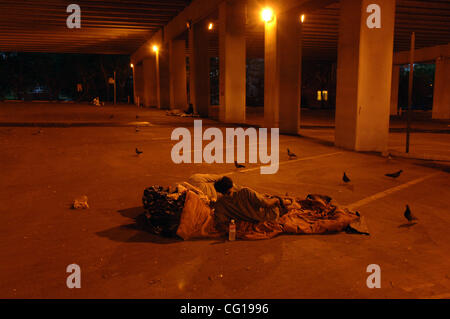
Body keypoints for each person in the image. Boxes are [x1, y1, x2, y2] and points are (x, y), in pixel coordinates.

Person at [211, 176, 285, 229]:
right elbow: (266, 204)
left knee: (264, 196)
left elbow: (220, 221)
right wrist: (276, 199)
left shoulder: (220, 203)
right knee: (275, 199)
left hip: (250, 220)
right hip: (268, 216)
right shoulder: (245, 191)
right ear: (232, 185)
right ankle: (286, 202)